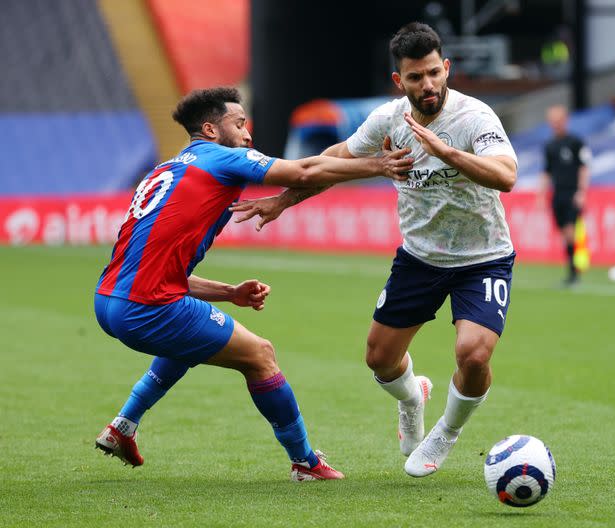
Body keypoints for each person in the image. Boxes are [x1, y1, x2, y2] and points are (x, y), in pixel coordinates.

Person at [232, 22, 518, 478]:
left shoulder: (475, 118)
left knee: (474, 353)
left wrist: (445, 152)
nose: (427, 85)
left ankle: (446, 430)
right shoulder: (388, 120)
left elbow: (505, 176)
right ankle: (412, 397)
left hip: (482, 257)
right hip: (420, 258)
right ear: (398, 81)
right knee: (379, 360)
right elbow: (335, 160)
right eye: (415, 77)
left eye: (433, 74)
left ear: (446, 68)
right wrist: (284, 200)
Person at [93, 87, 412, 481]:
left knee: (190, 340)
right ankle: (305, 462)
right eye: (239, 124)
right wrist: (377, 166)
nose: (248, 134)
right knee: (260, 355)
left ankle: (123, 426)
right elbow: (304, 172)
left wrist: (229, 293)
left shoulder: (167, 169)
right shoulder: (222, 158)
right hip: (145, 307)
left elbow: (157, 270)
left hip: (109, 300)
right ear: (210, 129)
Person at [539, 105, 591, 286]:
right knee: (563, 231)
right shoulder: (550, 145)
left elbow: (584, 167)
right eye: (552, 122)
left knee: (570, 231)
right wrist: (541, 194)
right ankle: (572, 268)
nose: (555, 125)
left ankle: (573, 272)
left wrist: (581, 191)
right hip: (557, 193)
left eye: (558, 121)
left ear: (565, 121)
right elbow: (546, 171)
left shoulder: (576, 142)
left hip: (572, 192)